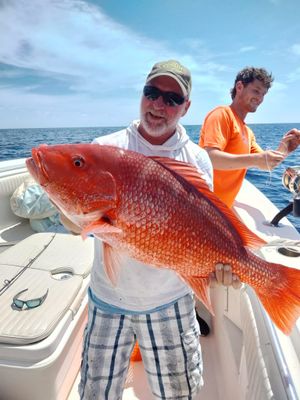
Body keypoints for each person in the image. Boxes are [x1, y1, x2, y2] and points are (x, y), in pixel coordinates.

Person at [60, 60, 240, 400]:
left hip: (170, 300)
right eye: (152, 93)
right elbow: (84, 218)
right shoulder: (106, 148)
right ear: (141, 95)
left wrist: (219, 266)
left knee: (177, 394)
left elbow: (206, 228)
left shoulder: (197, 160)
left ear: (186, 107)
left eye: (172, 99)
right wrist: (73, 218)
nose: (159, 104)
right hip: (107, 299)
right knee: (95, 392)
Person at [199, 66, 300, 208]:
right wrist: (257, 160)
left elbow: (267, 164)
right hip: (202, 206)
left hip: (220, 211)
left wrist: (285, 147)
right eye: (256, 91)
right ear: (239, 87)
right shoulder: (222, 114)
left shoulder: (248, 132)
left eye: (263, 94)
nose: (259, 98)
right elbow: (210, 158)